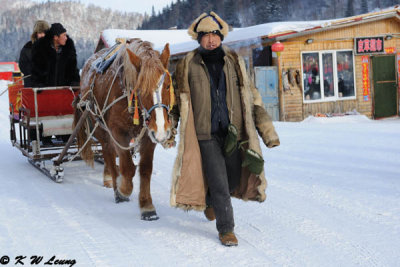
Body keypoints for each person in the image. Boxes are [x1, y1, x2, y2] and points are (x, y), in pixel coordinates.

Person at [169, 12, 280, 246]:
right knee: (219, 181)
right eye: (206, 36)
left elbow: (252, 97)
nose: (211, 40)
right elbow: (177, 103)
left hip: (234, 133)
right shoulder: (187, 64)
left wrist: (267, 131)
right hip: (205, 133)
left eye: (215, 35)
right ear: (198, 39)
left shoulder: (234, 61)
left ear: (221, 37)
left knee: (231, 180)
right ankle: (226, 229)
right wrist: (170, 127)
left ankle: (210, 201)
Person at [31, 22, 80, 87]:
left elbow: (73, 70)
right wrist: (38, 84)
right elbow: (36, 70)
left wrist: (74, 82)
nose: (66, 38)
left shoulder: (69, 49)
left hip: (65, 90)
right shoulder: (40, 48)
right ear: (55, 37)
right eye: (64, 35)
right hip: (44, 91)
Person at [19, 20, 50, 87]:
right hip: (32, 85)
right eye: (40, 32)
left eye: (44, 32)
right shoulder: (28, 48)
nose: (42, 35)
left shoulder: (54, 47)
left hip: (51, 85)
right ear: (36, 34)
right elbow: (23, 66)